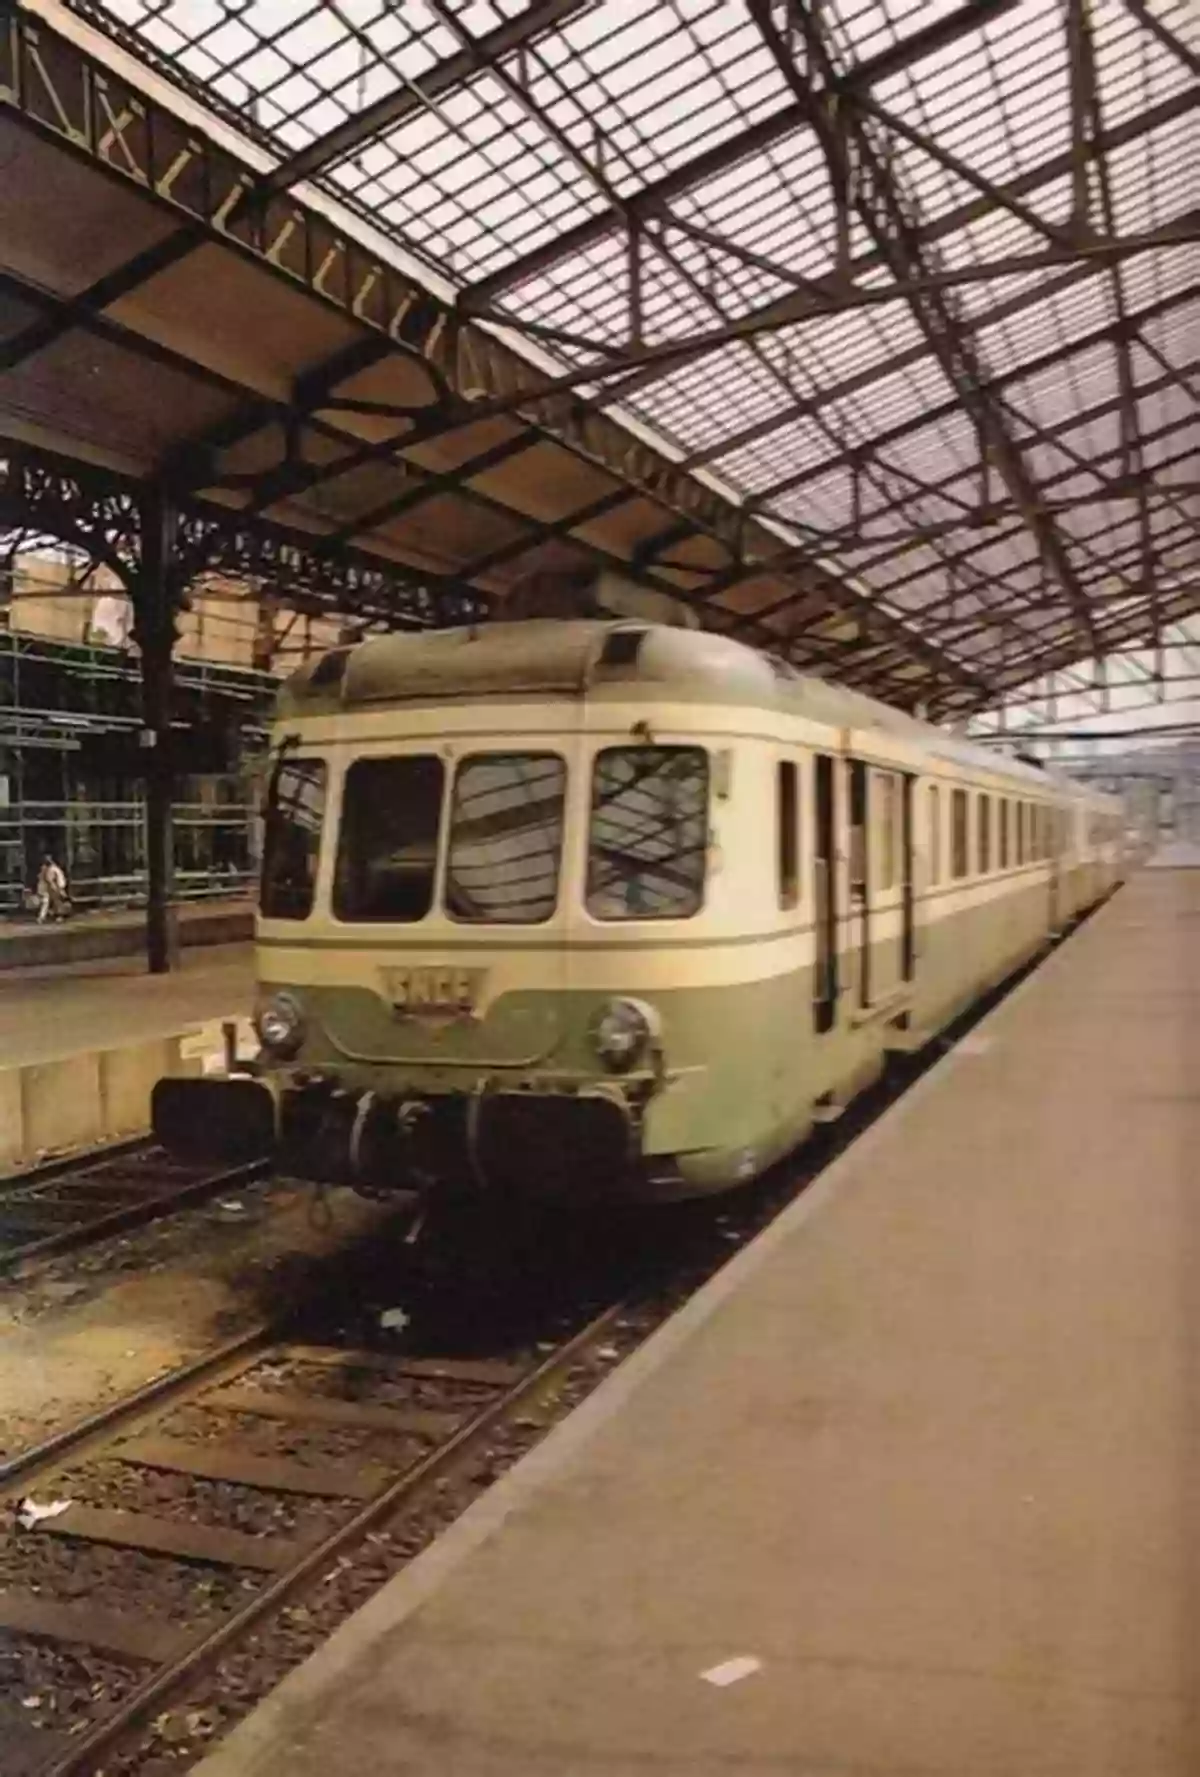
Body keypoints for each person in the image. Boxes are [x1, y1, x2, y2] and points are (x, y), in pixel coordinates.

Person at [35, 854, 68, 924]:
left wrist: (58, 887)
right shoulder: (47, 869)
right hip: (51, 887)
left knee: (56, 901)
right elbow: (48, 879)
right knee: (48, 901)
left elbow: (55, 879)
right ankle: (44, 917)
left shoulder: (54, 868)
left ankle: (55, 915)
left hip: (56, 886)